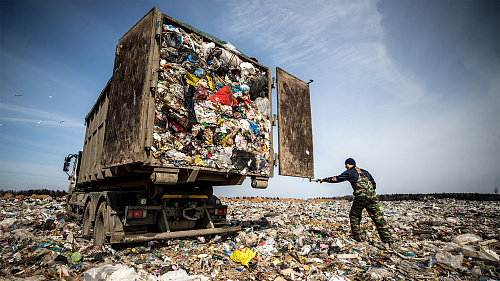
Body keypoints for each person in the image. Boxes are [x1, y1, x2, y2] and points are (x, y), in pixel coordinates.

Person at [319, 158, 393, 243]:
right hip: (372, 196)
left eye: (345, 164)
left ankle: (358, 237)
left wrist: (324, 179)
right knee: (378, 218)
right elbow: (373, 184)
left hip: (361, 196)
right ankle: (388, 240)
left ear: (348, 164)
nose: (345, 166)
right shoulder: (365, 172)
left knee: (354, 216)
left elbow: (336, 179)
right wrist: (370, 194)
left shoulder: (349, 172)